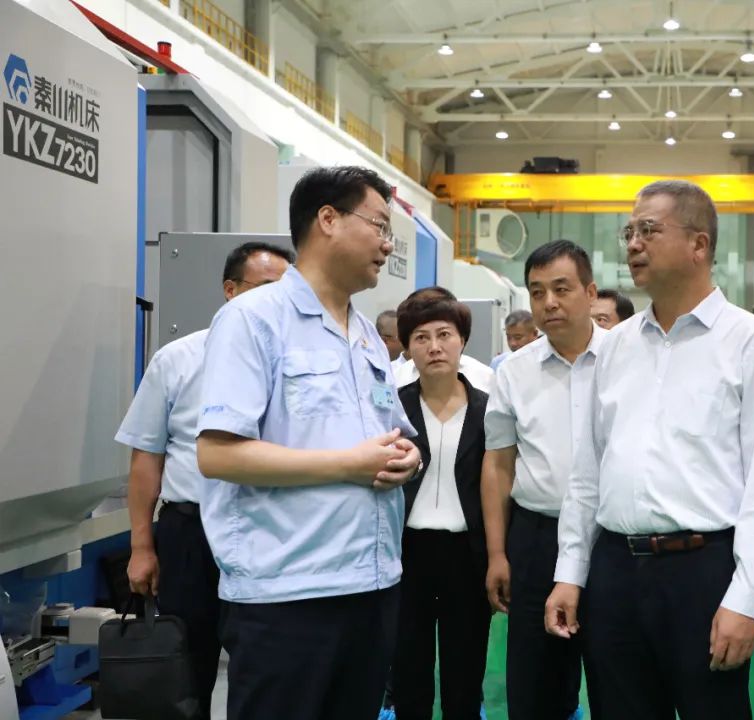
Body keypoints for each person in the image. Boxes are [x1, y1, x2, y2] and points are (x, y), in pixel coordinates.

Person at [546, 180, 754, 720]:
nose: (633, 244)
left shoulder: (752, 342)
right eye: (629, 232)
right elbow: (588, 472)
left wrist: (746, 599)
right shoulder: (615, 347)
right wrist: (571, 571)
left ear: (699, 244)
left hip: (701, 571)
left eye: (649, 230)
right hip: (616, 570)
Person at [195, 166, 422, 720]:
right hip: (288, 596)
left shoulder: (365, 334)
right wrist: (349, 465)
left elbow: (389, 431)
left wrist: (408, 457)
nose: (387, 245)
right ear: (328, 219)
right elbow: (217, 453)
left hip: (371, 583)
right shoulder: (253, 320)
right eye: (380, 226)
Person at [116, 241, 293, 718]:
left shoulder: (296, 363)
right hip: (190, 534)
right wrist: (141, 547)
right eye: (266, 289)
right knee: (187, 665)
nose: (278, 302)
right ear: (230, 290)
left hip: (269, 530)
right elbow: (146, 458)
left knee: (263, 666)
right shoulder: (178, 359)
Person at [482, 240, 606, 720]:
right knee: (535, 683)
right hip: (537, 540)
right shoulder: (513, 372)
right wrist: (498, 553)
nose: (549, 302)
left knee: (617, 674)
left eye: (561, 289)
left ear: (590, 292)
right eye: (537, 292)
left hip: (612, 540)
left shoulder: (625, 359)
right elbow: (498, 465)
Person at [391, 289, 491, 720]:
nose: (434, 347)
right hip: (405, 553)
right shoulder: (393, 407)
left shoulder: (489, 409)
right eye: (421, 337)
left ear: (462, 340)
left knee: (464, 674)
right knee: (408, 672)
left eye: (444, 334)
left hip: (467, 555)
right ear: (407, 348)